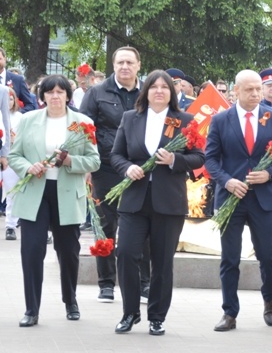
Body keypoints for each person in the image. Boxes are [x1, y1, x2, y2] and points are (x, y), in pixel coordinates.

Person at [110, 70, 205, 335]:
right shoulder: (131, 118)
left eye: (165, 87)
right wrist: (127, 168)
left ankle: (157, 316)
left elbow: (199, 157)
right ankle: (130, 312)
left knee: (162, 262)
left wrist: (175, 160)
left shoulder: (185, 120)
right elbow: (116, 155)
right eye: (154, 87)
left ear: (172, 93)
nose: (159, 91)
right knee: (126, 253)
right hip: (135, 200)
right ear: (146, 91)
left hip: (168, 201)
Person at [8, 75, 100, 326]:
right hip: (36, 192)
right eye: (50, 92)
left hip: (67, 193)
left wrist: (70, 161)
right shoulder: (29, 120)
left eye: (60, 91)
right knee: (32, 250)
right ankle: (31, 309)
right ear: (43, 96)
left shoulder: (83, 122)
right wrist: (28, 167)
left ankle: (70, 299)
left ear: (68, 95)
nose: (55, 96)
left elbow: (94, 161)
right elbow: (15, 156)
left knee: (68, 251)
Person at [205, 70, 272, 332]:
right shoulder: (221, 120)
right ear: (236, 91)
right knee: (230, 258)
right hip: (231, 196)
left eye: (258, 89)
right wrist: (227, 181)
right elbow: (210, 159)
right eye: (249, 89)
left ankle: (269, 298)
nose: (255, 94)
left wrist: (270, 174)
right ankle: (229, 312)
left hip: (263, 199)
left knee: (267, 255)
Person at [80, 46, 150, 304]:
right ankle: (106, 283)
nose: (125, 67)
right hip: (106, 168)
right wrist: (87, 166)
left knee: (142, 226)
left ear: (139, 65)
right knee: (105, 225)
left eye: (130, 62)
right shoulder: (97, 93)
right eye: (120, 62)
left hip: (140, 170)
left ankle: (143, 283)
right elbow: (84, 130)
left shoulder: (149, 92)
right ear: (113, 65)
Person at [4, 87, 23, 240]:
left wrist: (15, 139)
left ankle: (11, 225)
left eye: (10, 99)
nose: (8, 102)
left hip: (14, 158)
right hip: (3, 156)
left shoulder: (20, 117)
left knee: (13, 192)